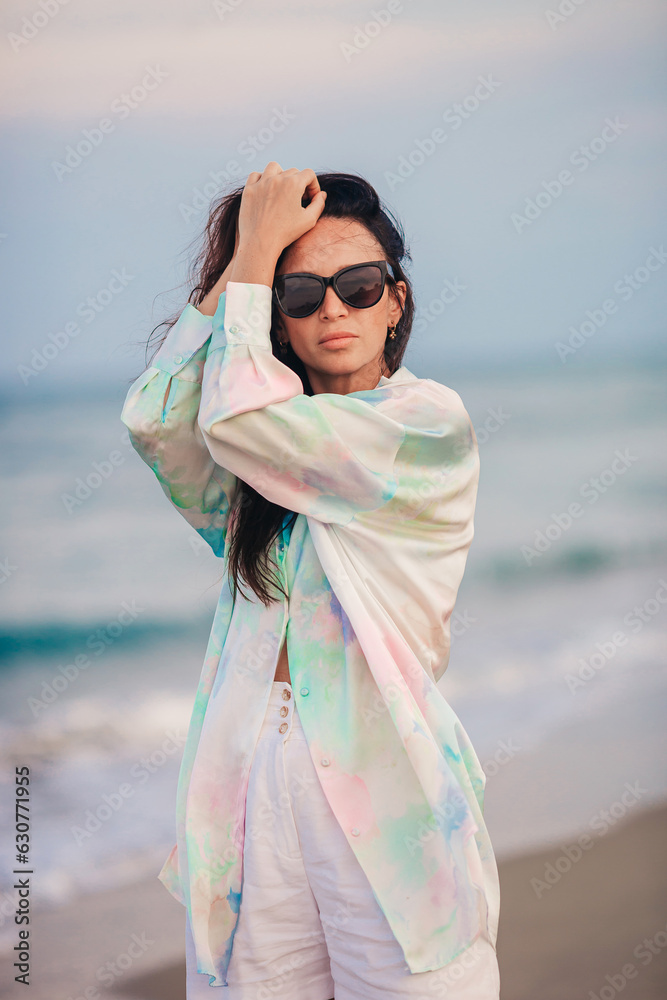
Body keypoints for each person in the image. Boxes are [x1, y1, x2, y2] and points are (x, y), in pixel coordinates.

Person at [121, 163, 501, 999]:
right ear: (278, 322)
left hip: (383, 785)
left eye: (359, 286)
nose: (332, 307)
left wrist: (261, 257)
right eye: (299, 294)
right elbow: (155, 420)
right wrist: (243, 262)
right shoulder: (257, 469)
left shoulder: (423, 425)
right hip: (250, 781)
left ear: (395, 301)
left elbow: (237, 419)